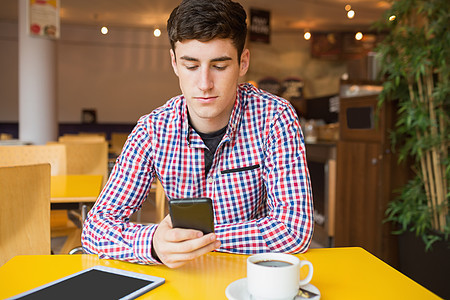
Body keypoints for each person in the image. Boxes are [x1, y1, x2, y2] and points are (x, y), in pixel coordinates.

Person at [82, 0, 313, 268]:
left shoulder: (274, 117)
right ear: (175, 63)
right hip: (185, 281)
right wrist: (154, 243)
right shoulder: (152, 130)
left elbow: (294, 229)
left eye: (220, 66)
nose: (204, 84)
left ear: (243, 62)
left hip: (252, 278)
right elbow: (96, 228)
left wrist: (194, 242)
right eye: (191, 66)